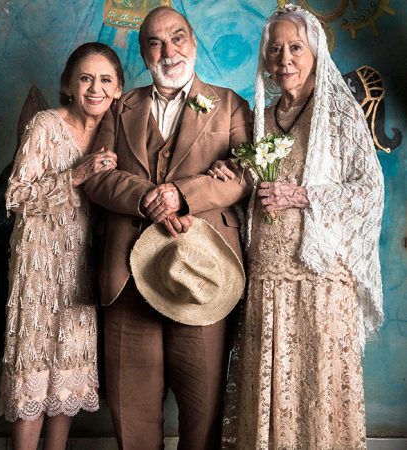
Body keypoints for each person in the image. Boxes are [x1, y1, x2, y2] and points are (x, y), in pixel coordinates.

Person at [216, 4, 384, 449]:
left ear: (314, 52)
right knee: (268, 390)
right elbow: (252, 183)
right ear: (264, 58)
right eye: (275, 50)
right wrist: (231, 174)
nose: (284, 59)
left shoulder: (337, 114)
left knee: (315, 391)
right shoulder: (263, 117)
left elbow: (369, 190)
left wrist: (302, 195)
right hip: (267, 280)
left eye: (295, 47)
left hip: (319, 279)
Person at [84, 6, 252, 450]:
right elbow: (97, 175)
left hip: (203, 276)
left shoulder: (231, 104)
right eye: (155, 43)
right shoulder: (119, 107)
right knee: (132, 413)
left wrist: (182, 194)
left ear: (193, 42)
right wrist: (144, 198)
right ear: (143, 52)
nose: (168, 50)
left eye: (177, 38)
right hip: (126, 276)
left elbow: (245, 174)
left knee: (203, 414)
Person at [0, 42, 124, 450]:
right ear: (68, 84)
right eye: (85, 78)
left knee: (68, 368)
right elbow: (14, 196)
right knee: (32, 369)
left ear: (119, 89)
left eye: (105, 80)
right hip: (37, 264)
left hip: (84, 264)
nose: (95, 88)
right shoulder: (45, 125)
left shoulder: (116, 133)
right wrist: (75, 175)